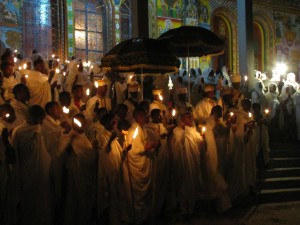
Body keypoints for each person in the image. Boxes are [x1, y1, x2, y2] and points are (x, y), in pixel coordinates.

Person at [11, 105, 53, 225]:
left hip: (41, 170)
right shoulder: (19, 131)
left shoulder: (40, 128)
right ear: (31, 117)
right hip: (26, 171)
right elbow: (15, 153)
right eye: (39, 119)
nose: (40, 122)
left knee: (42, 200)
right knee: (29, 201)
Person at [59, 114, 97, 225]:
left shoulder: (85, 137)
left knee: (85, 201)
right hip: (74, 174)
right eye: (77, 123)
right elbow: (61, 153)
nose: (81, 125)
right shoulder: (67, 136)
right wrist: (69, 144)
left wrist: (93, 149)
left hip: (86, 175)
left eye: (83, 123)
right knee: (73, 200)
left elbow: (90, 156)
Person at [122, 107, 157, 224]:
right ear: (136, 117)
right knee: (138, 194)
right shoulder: (132, 131)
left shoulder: (143, 129)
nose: (145, 118)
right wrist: (146, 148)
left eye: (145, 115)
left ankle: (144, 216)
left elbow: (144, 144)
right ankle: (137, 218)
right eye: (142, 116)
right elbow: (134, 150)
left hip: (144, 163)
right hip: (137, 166)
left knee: (146, 195)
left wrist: (150, 146)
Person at [171, 112, 203, 221]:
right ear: (182, 120)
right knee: (184, 184)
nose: (190, 119)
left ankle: (192, 208)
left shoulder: (194, 131)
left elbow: (200, 144)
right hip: (183, 162)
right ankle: (184, 210)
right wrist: (185, 130)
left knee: (193, 182)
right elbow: (178, 144)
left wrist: (202, 138)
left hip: (193, 162)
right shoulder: (177, 131)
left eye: (191, 117)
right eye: (187, 118)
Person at [97, 113, 126, 225]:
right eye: (114, 121)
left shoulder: (113, 136)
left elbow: (118, 155)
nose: (116, 123)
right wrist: (110, 141)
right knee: (111, 199)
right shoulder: (102, 136)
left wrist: (125, 151)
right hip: (109, 173)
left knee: (117, 198)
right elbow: (104, 153)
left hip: (116, 171)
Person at [144, 109, 169, 216]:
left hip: (163, 156)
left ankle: (162, 206)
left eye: (160, 116)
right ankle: (153, 209)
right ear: (153, 116)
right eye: (158, 116)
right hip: (155, 156)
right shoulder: (148, 127)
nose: (160, 117)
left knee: (163, 180)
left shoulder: (162, 126)